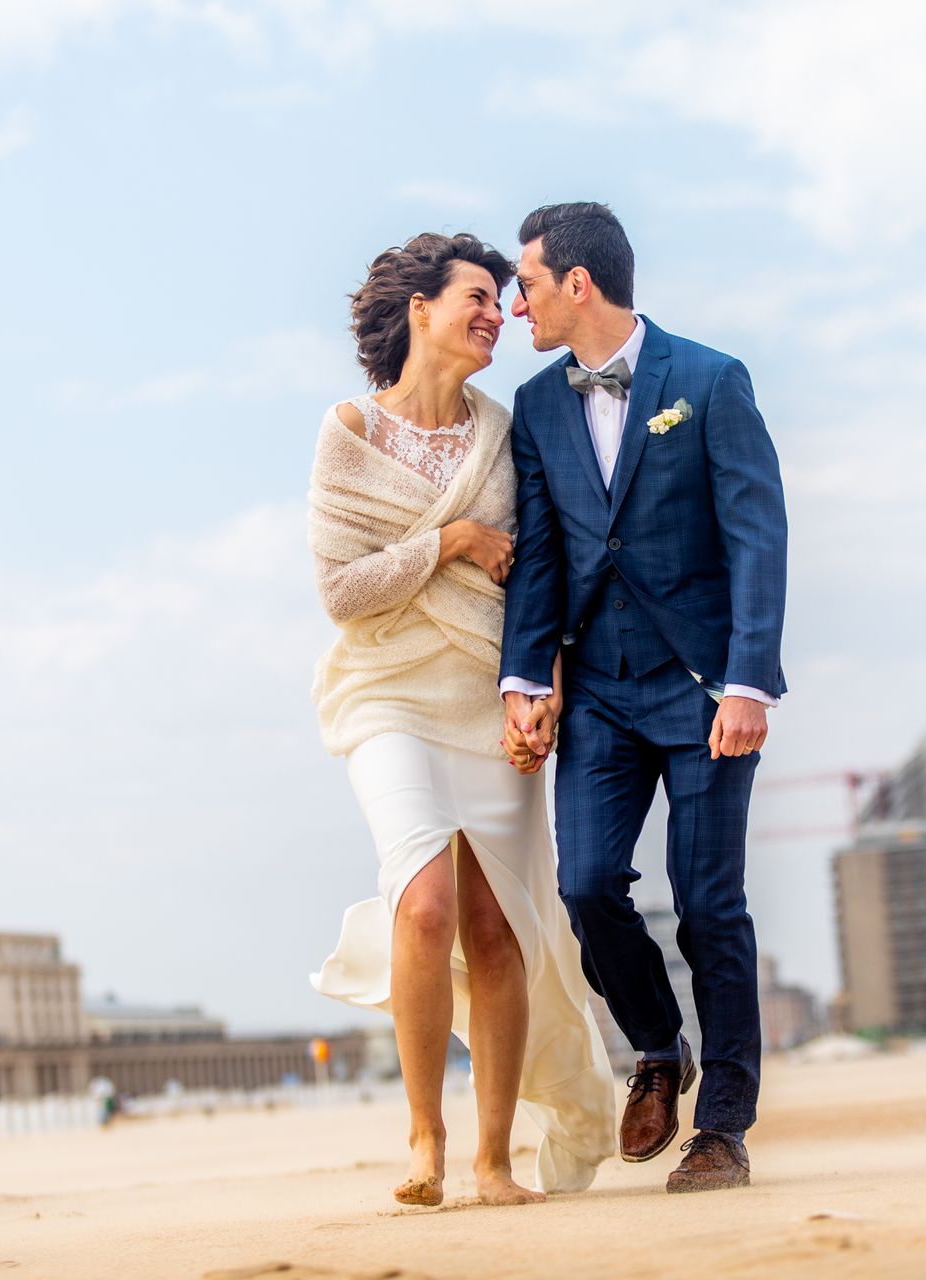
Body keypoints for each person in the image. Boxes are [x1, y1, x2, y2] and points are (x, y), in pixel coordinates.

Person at [306, 231, 617, 1207]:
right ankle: (425, 1142)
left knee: (497, 926)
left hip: (489, 694)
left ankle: (494, 1162)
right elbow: (340, 590)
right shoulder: (349, 427)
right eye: (478, 297)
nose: (499, 313)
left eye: (501, 298)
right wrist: (448, 541)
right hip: (387, 692)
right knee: (424, 896)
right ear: (420, 310)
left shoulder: (504, 427)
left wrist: (542, 686)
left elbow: (543, 571)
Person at [498, 202, 788, 1193]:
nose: (514, 299)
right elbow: (539, 551)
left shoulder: (710, 380)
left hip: (708, 690)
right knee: (587, 885)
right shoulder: (537, 406)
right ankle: (658, 1048)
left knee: (710, 906)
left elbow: (757, 533)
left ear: (579, 282)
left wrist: (750, 678)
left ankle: (723, 1130)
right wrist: (527, 676)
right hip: (602, 702)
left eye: (527, 279)